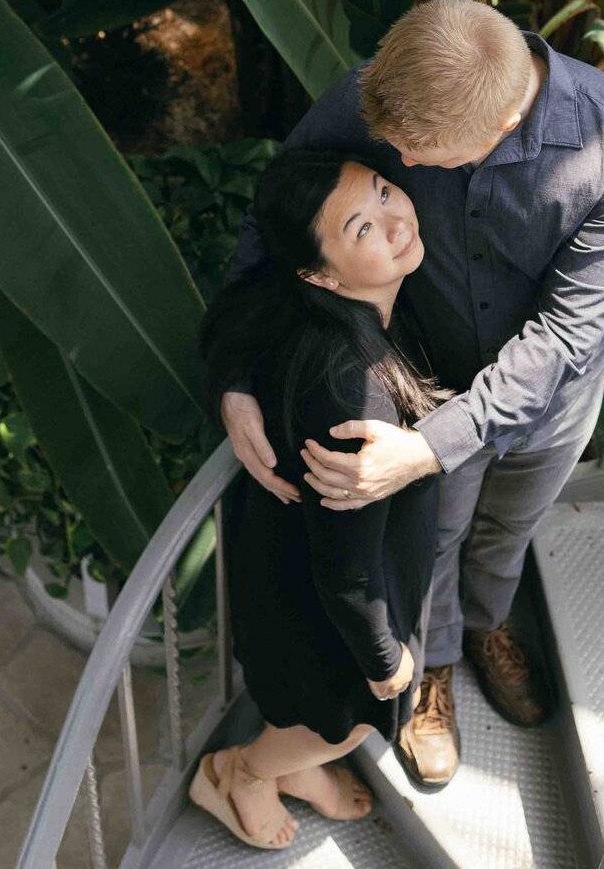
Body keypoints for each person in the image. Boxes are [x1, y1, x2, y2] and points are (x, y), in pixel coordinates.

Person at [218, 0, 604, 789]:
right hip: (427, 387)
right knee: (431, 546)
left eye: (414, 156)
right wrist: (235, 372)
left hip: (549, 405)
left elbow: (564, 336)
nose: (395, 161)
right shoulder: (380, 101)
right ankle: (437, 665)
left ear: (494, 132)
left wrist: (431, 447)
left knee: (508, 532)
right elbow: (276, 221)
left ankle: (488, 626)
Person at [190, 147, 445, 850]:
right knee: (352, 717)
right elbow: (347, 572)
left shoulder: (332, 307)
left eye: (386, 192)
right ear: (317, 270)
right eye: (361, 227)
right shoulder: (353, 390)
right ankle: (241, 773)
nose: (394, 221)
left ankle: (292, 766)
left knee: (328, 718)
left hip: (294, 558)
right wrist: (384, 660)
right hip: (320, 596)